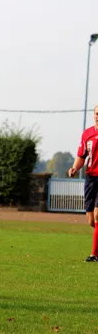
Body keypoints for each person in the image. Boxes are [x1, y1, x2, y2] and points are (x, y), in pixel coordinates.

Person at [68, 104, 98, 262]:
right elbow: (81, 156)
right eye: (97, 113)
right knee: (91, 220)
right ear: (94, 115)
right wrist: (74, 168)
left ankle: (94, 255)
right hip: (91, 179)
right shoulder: (87, 134)